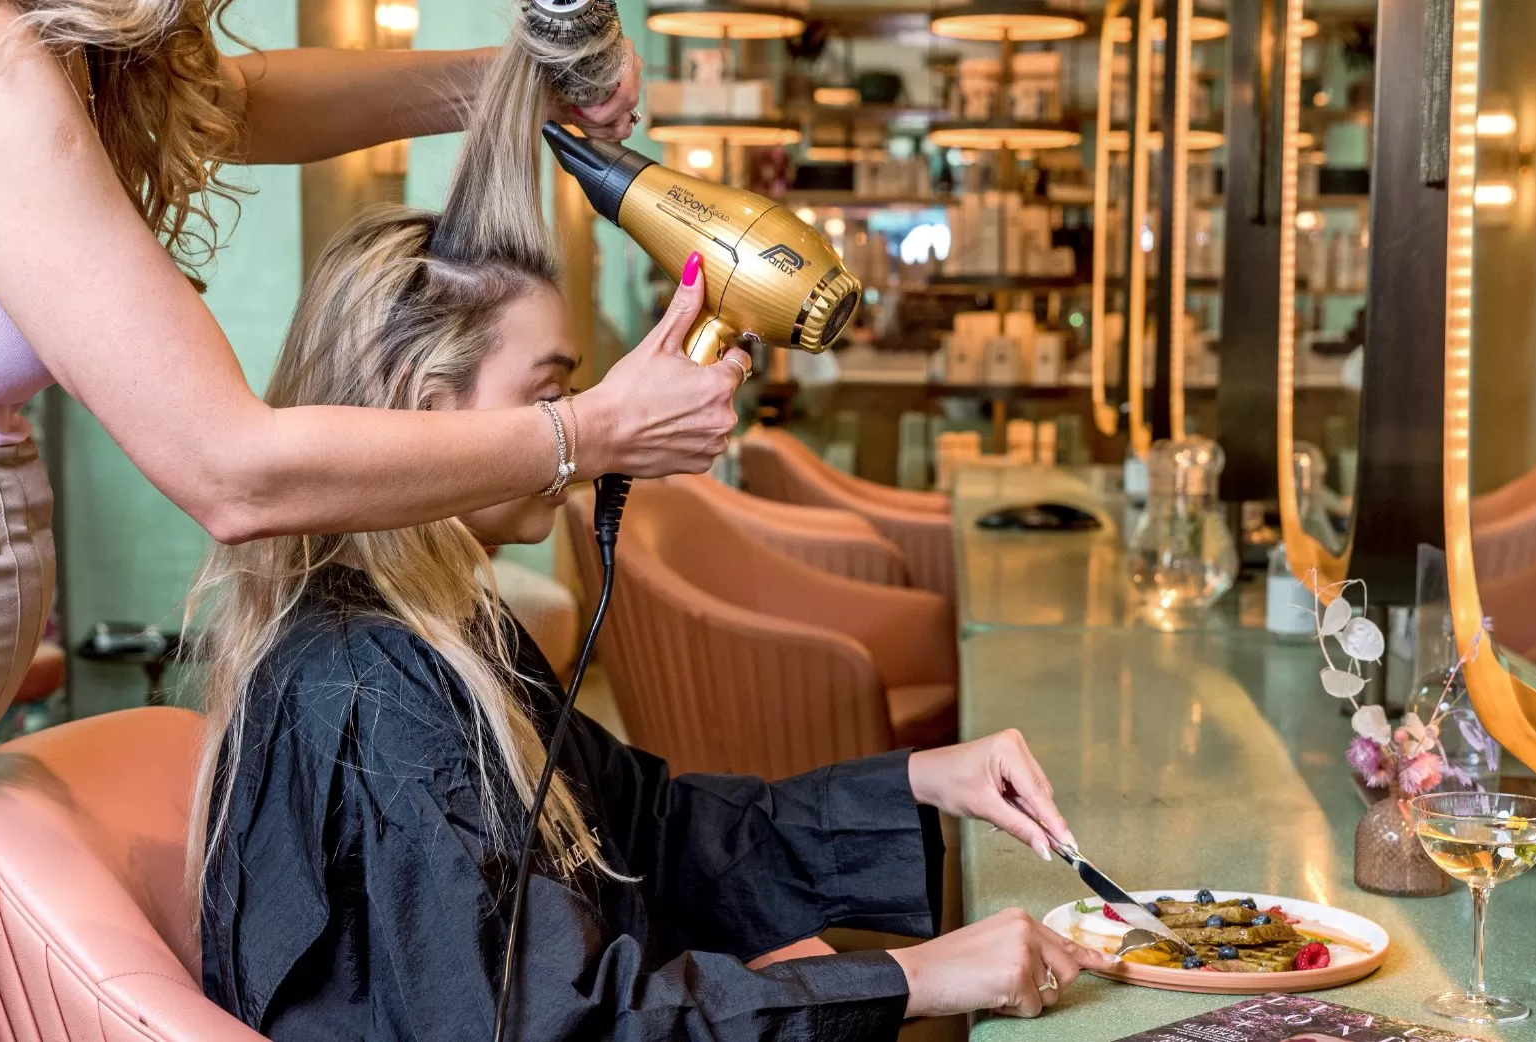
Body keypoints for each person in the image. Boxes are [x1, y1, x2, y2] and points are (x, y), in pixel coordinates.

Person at [192, 24, 1110, 1038]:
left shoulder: (446, 636)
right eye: (552, 392)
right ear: (424, 402)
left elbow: (657, 834)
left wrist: (923, 777)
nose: (578, 422)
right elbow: (558, 1027)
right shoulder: (376, 695)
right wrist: (914, 979)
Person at [0, 0, 738, 1037]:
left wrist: (509, 80)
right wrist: (584, 430)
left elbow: (232, 99)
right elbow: (231, 470)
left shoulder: (66, 56)